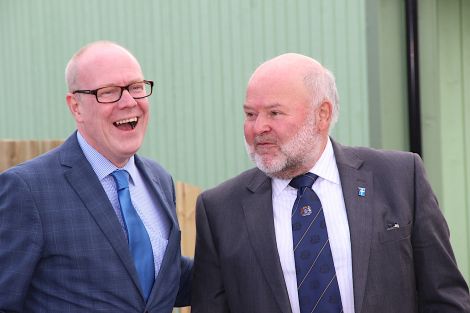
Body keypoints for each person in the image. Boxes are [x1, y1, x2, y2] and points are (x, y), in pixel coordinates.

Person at [191, 53, 470, 313]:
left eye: (274, 113)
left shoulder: (399, 177)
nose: (258, 127)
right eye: (250, 114)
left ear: (321, 114)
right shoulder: (219, 210)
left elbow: (445, 298)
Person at [0, 41, 192, 312]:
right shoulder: (28, 190)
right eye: (109, 92)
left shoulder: (160, 180)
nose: (128, 102)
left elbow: (162, 279)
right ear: (75, 106)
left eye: (136, 87)